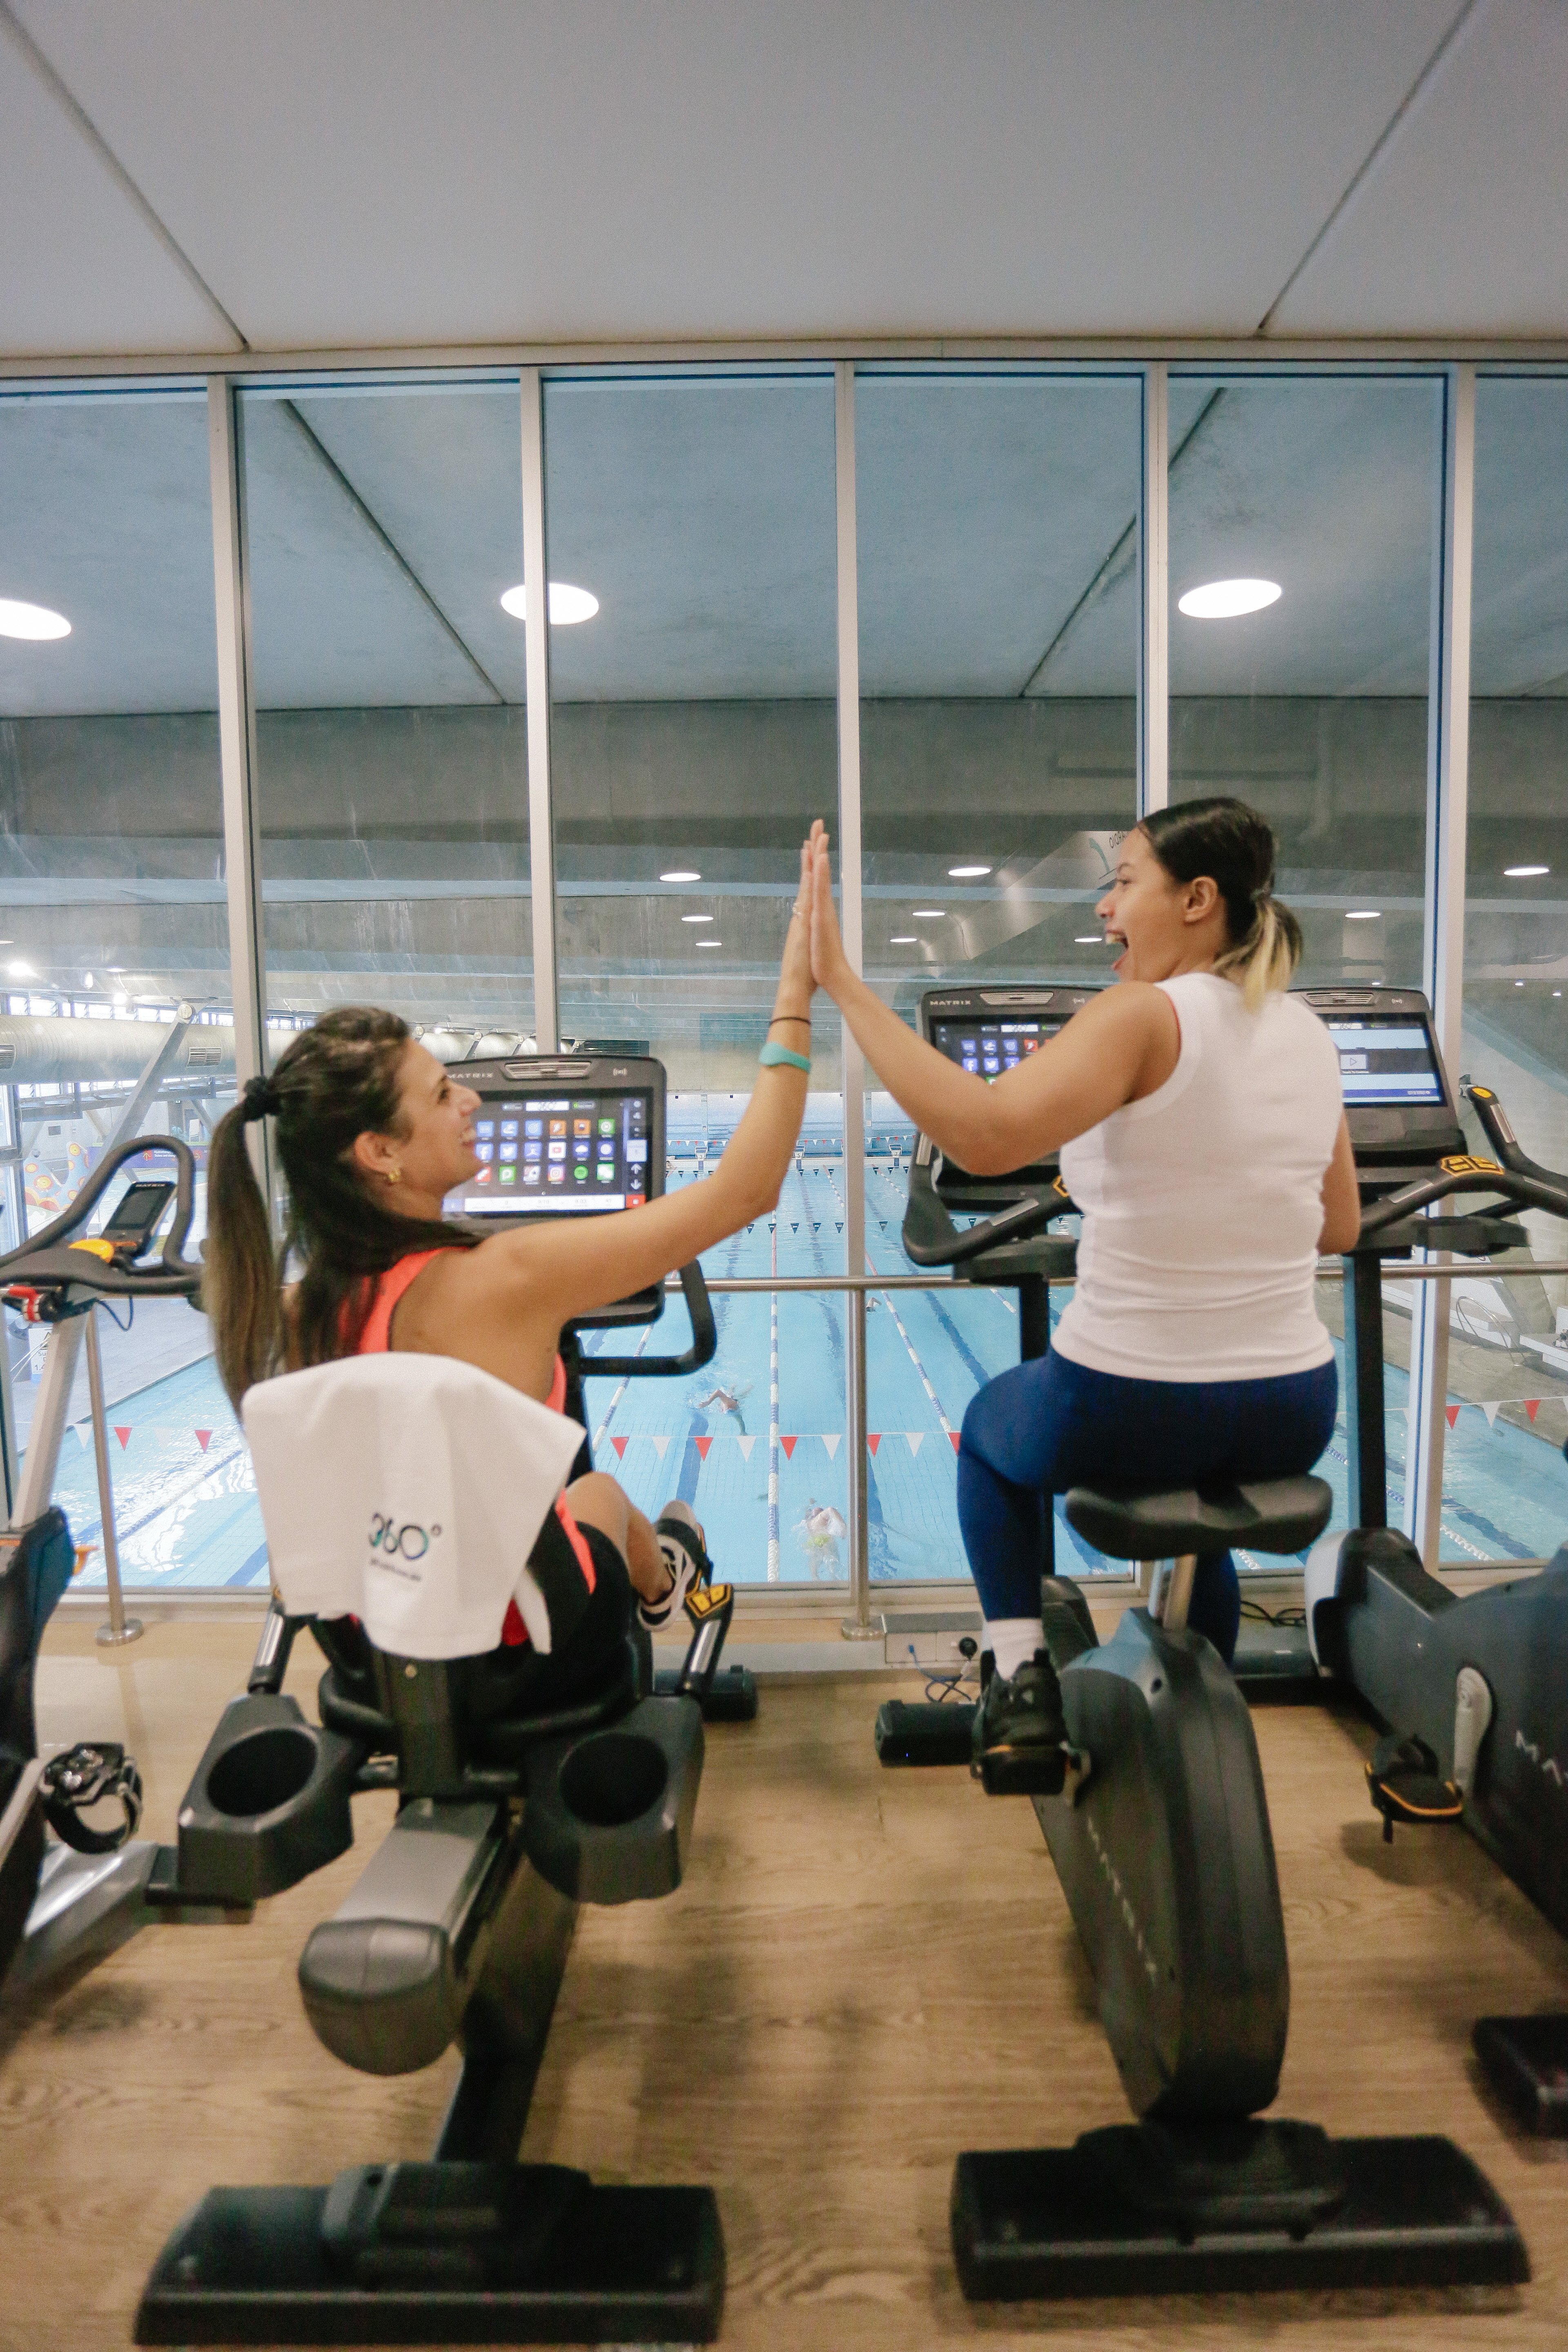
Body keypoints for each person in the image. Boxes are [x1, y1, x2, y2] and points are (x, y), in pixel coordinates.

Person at [803, 798, 1359, 1792]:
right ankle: (1201, 1706)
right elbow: (1341, 1226)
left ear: (1197, 900)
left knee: (987, 1434)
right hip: (1295, 1408)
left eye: (1124, 882)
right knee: (1203, 1509)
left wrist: (843, 984)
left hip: (1130, 1402)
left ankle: (1017, 1682)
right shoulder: (1308, 1029)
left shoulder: (1142, 1014)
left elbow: (981, 1136)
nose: (1106, 909)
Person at [201, 842, 818, 1705]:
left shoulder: (297, 1308)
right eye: (443, 1092)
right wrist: (795, 1005)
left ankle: (658, 1575)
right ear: (379, 1152)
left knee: (554, 1506)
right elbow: (747, 1188)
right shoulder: (509, 1276)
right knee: (596, 1492)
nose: (474, 1102)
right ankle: (664, 1587)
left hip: (376, 1657)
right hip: (521, 1656)